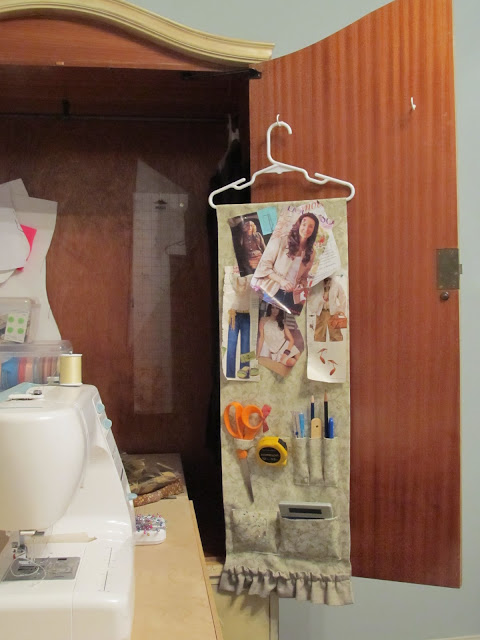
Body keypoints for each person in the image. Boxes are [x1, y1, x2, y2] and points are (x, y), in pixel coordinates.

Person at [252, 212, 320, 314]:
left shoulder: (311, 252)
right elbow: (264, 266)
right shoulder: (282, 241)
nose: (306, 228)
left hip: (291, 297)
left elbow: (304, 277)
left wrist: (301, 286)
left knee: (284, 322)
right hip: (271, 291)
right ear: (299, 225)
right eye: (304, 224)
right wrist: (281, 281)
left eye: (311, 226)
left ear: (314, 230)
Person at [226, 274, 252, 378]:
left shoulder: (249, 281)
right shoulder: (234, 279)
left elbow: (252, 277)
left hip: (246, 316)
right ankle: (230, 375)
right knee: (231, 346)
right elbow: (232, 276)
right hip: (234, 315)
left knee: (246, 346)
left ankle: (244, 375)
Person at [313, 275, 347, 342]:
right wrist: (320, 299)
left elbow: (342, 297)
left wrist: (341, 310)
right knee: (319, 333)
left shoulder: (336, 284)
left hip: (332, 312)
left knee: (335, 333)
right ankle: (319, 345)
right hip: (321, 311)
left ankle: (336, 346)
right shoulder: (318, 285)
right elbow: (312, 297)